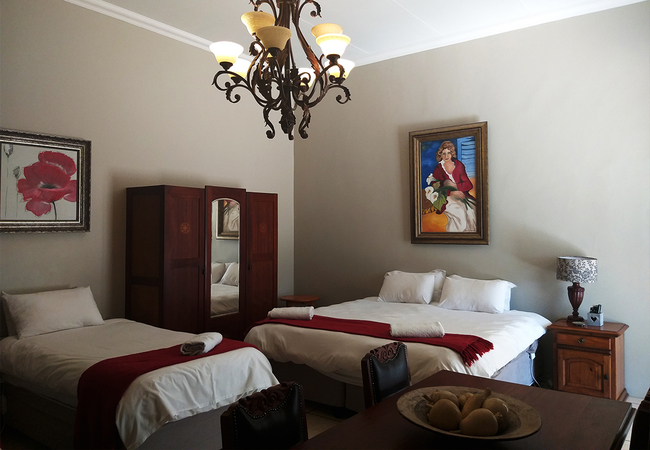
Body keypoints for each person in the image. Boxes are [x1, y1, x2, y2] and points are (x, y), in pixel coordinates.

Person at [430, 141, 477, 232]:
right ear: (440, 155)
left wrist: (455, 186)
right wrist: (451, 192)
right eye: (444, 153)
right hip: (446, 198)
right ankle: (455, 236)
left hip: (462, 196)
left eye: (448, 153)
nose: (446, 156)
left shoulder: (459, 165)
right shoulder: (438, 169)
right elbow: (435, 189)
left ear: (452, 153)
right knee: (459, 214)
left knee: (472, 211)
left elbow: (468, 184)